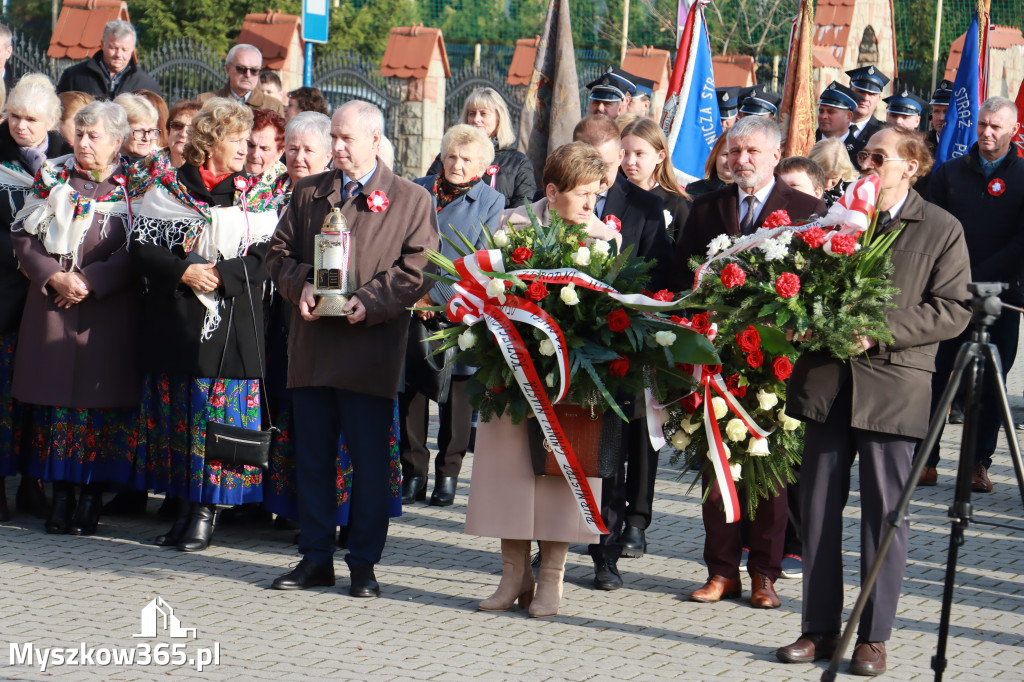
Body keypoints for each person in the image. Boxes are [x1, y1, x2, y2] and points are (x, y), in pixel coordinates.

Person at [777, 126, 971, 677]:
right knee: (815, 511)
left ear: (911, 166)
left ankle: (873, 637)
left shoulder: (941, 228)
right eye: (865, 154)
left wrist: (877, 328)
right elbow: (799, 280)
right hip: (828, 385)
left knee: (885, 518)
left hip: (892, 388)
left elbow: (953, 310)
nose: (869, 163)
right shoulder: (836, 217)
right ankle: (817, 628)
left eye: (881, 157)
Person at [266, 100, 438, 597]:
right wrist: (299, 285)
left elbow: (418, 269)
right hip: (316, 346)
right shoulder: (307, 192)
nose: (336, 147)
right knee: (313, 459)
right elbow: (278, 253)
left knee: (369, 466)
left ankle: (363, 563)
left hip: (371, 351)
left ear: (374, 142)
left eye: (345, 139)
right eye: (333, 139)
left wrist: (370, 301)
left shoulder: (409, 199)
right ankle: (315, 558)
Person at [669, 117, 826, 610]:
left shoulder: (807, 210)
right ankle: (720, 571)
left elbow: (819, 288)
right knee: (717, 466)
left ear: (776, 155)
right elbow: (681, 277)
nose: (741, 160)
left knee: (770, 470)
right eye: (734, 151)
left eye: (752, 151)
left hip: (778, 366)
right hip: (718, 361)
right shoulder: (707, 207)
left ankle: (764, 573)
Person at [465, 141, 619, 618]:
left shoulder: (603, 237)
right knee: (509, 473)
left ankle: (551, 578)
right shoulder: (511, 226)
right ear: (551, 192)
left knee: (560, 475)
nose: (590, 205)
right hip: (510, 372)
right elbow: (484, 292)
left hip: (569, 380)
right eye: (582, 195)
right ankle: (514, 576)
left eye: (596, 194)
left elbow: (610, 309)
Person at [131, 97, 278, 552]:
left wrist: (221, 276)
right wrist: (182, 271)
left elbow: (269, 253)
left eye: (248, 139)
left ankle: (205, 513)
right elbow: (140, 246)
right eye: (236, 139)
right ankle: (180, 508)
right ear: (210, 141)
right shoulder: (169, 188)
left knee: (215, 421)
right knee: (180, 419)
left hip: (231, 325)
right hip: (176, 324)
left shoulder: (256, 194)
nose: (245, 147)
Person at [12, 100, 140, 536]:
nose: (84, 144)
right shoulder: (51, 176)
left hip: (105, 313)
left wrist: (90, 280)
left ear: (118, 142)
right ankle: (60, 497)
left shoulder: (136, 186)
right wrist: (53, 277)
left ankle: (90, 500)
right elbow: (24, 237)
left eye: (94, 136)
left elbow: (141, 248)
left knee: (97, 411)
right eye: (80, 135)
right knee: (58, 412)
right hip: (54, 307)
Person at [573, 114, 671, 589]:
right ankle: (545, 544)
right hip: (565, 350)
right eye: (594, 166)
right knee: (559, 447)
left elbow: (664, 278)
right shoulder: (553, 202)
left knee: (611, 457)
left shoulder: (647, 209)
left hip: (620, 350)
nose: (605, 178)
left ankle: (605, 555)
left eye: (609, 165)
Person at [920, 96, 1024, 491]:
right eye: (982, 124)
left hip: (1002, 298)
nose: (987, 133)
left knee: (990, 386)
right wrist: (954, 279)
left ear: (1013, 130)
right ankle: (925, 460)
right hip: (949, 296)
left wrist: (977, 276)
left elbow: (1020, 243)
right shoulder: (948, 173)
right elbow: (934, 229)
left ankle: (978, 463)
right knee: (936, 378)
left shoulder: (1022, 176)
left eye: (996, 126)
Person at [402, 124, 504, 507]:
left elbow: (481, 260)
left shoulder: (491, 201)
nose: (456, 164)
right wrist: (418, 295)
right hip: (412, 304)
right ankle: (413, 473)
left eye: (466, 159)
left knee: (457, 399)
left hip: (461, 310)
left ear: (481, 166)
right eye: (451, 156)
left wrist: (437, 297)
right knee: (411, 392)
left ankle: (447, 475)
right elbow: (401, 245)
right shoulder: (418, 187)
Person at [0, 74, 70, 523]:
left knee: (40, 395)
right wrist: (22, 256)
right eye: (14, 116)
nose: (21, 126)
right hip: (5, 292)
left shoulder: (65, 155)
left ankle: (34, 483)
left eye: (31, 119)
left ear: (51, 121)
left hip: (50, 297)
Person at [426, 87, 536, 209]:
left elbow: (522, 209)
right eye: (472, 113)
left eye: (483, 113)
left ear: (499, 117)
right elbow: (428, 191)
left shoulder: (518, 163)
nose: (476, 119)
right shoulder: (449, 153)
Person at [620, 117, 691, 241]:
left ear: (660, 156)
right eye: (625, 153)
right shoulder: (612, 194)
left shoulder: (678, 204)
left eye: (639, 154)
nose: (630, 162)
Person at [56, 21, 161, 100]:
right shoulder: (74, 76)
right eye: (113, 48)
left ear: (133, 50)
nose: (119, 55)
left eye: (125, 49)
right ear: (102, 45)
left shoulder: (148, 85)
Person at [198, 45, 283, 115]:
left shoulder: (273, 106)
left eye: (254, 70)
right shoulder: (205, 101)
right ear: (228, 69)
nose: (248, 75)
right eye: (241, 69)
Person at [815, 81, 864, 164]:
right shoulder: (806, 143)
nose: (824, 116)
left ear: (849, 116)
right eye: (821, 111)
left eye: (831, 112)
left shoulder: (860, 152)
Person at [808, 137, 859, 208]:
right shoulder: (801, 187)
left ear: (845, 172)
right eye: (823, 177)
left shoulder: (853, 189)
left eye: (834, 178)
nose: (827, 184)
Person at [846, 65, 889, 145]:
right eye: (860, 92)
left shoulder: (883, 133)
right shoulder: (832, 124)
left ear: (878, 99)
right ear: (849, 92)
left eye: (871, 94)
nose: (865, 98)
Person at [113, 93, 160, 163]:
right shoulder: (99, 164)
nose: (147, 138)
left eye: (151, 131)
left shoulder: (161, 169)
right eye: (140, 131)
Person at [686, 132, 732, 198]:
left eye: (735, 154)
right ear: (715, 156)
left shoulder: (749, 195)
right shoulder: (694, 190)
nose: (730, 161)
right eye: (726, 154)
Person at [244, 108, 286, 180]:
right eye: (250, 145)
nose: (255, 155)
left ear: (279, 153)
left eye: (264, 149)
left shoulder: (287, 186)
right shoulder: (223, 174)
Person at [165, 99, 201, 168]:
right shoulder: (146, 166)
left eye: (192, 129)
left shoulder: (208, 174)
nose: (183, 134)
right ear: (168, 131)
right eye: (177, 125)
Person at [925, 80, 953, 154]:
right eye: (936, 111)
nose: (941, 118)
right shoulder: (921, 146)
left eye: (946, 112)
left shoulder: (966, 145)